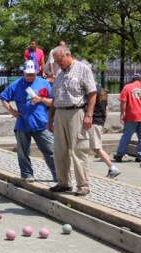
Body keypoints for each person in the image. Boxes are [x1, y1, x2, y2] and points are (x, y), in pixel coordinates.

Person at [47, 46, 97, 196]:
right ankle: (63, 183)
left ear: (68, 54)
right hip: (60, 113)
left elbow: (92, 93)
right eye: (55, 61)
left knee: (78, 150)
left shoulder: (83, 69)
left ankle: (83, 185)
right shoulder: (59, 73)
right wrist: (50, 119)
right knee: (59, 151)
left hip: (76, 112)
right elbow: (55, 98)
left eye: (59, 60)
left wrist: (89, 115)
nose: (57, 63)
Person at [0, 60, 57, 182]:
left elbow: (52, 102)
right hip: (22, 124)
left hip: (41, 124)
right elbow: (3, 97)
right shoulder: (16, 84)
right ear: (24, 73)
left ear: (37, 72)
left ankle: (57, 175)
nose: (30, 76)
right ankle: (27, 174)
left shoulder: (44, 83)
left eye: (33, 74)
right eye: (28, 74)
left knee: (50, 150)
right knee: (23, 153)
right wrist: (12, 111)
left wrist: (41, 99)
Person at [79, 60, 120, 178]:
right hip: (100, 120)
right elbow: (106, 108)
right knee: (89, 146)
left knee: (96, 147)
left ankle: (112, 168)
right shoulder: (102, 90)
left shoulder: (92, 91)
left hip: (93, 121)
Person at [113, 74, 141, 166]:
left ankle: (119, 155)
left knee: (127, 135)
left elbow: (123, 102)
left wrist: (122, 114)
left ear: (132, 80)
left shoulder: (127, 87)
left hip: (131, 116)